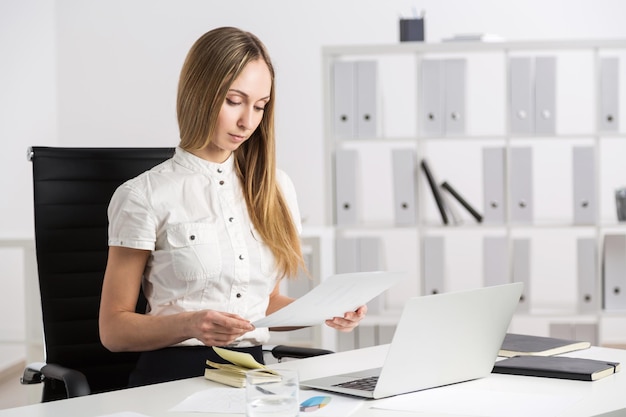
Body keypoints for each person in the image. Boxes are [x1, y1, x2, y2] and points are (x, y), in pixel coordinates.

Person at [98, 26, 367, 387]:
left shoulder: (276, 188)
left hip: (252, 378)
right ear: (200, 92)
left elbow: (264, 303)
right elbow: (113, 330)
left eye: (259, 106)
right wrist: (191, 324)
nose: (247, 122)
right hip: (172, 378)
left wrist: (323, 311)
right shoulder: (143, 195)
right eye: (233, 100)